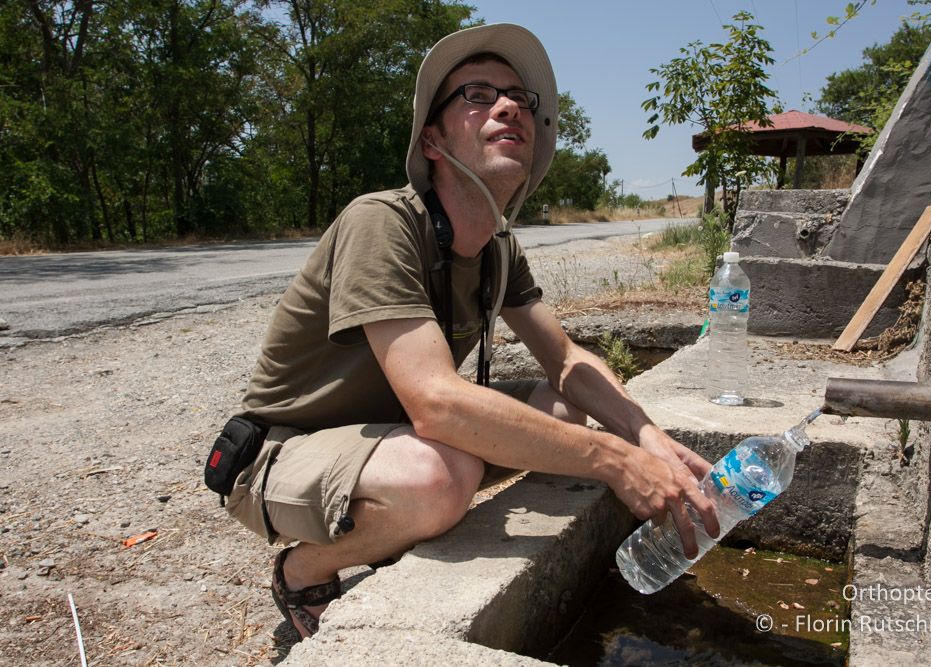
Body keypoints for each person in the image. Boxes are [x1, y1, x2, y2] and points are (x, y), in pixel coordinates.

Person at [223, 23, 719, 641]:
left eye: (519, 98)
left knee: (565, 407)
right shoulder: (381, 222)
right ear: (432, 138)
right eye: (477, 95)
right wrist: (616, 462)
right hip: (280, 453)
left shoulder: (499, 247)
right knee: (438, 476)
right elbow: (434, 402)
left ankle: (401, 516)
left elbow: (564, 359)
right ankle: (304, 570)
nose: (509, 105)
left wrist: (644, 433)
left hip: (395, 437)